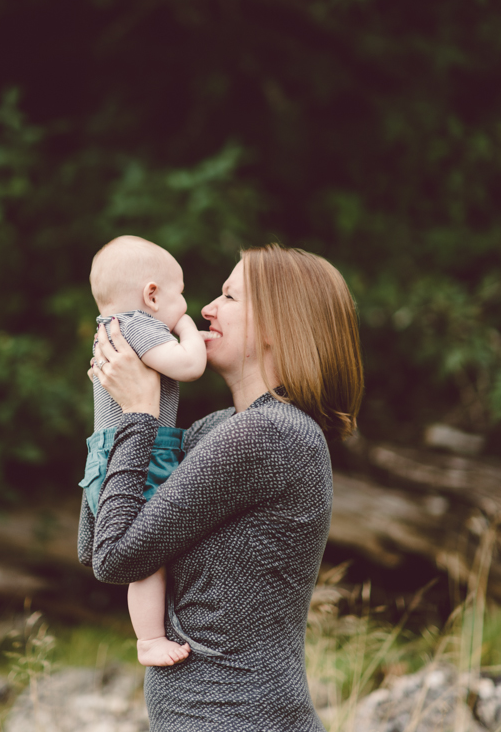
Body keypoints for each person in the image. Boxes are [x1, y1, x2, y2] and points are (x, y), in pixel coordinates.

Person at [80, 243, 363, 732]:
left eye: (230, 297)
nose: (205, 309)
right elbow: (97, 542)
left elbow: (116, 557)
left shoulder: (269, 435)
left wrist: (139, 415)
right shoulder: (218, 429)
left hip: (238, 716)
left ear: (278, 324)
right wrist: (114, 415)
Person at [78, 235, 206, 666]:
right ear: (152, 294)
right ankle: (150, 640)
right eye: (181, 294)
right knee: (146, 552)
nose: (185, 305)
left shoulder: (109, 331)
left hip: (108, 454)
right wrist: (186, 328)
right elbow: (189, 366)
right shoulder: (141, 326)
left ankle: (151, 633)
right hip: (142, 451)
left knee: (146, 547)